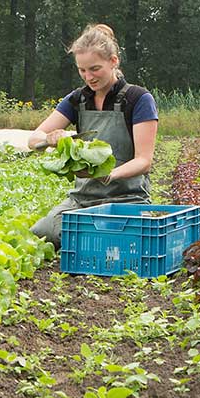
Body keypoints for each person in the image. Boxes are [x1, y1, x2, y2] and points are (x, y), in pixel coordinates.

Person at [27, 24, 160, 247]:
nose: (88, 77)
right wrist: (48, 139)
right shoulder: (77, 99)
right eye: (82, 70)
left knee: (124, 234)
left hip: (127, 199)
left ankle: (94, 237)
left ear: (113, 61)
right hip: (83, 200)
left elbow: (144, 161)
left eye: (95, 69)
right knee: (42, 231)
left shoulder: (138, 99)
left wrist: (109, 175)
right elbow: (33, 140)